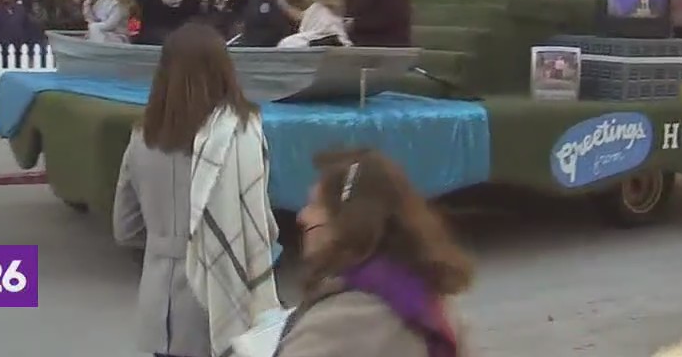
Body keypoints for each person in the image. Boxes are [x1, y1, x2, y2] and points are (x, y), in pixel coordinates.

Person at [114, 23, 282, 357]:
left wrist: (164, 244)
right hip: (217, 301)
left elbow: (125, 228)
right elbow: (263, 224)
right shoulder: (242, 135)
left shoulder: (141, 139)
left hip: (158, 304)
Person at [273, 148, 473, 357]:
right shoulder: (423, 294)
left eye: (315, 205)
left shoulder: (350, 318)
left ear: (348, 220)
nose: (302, 216)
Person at [277, 0, 351, 48]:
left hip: (320, 43)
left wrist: (282, 3)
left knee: (286, 43)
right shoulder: (332, 8)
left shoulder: (318, 8)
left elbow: (299, 16)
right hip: (336, 44)